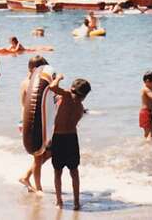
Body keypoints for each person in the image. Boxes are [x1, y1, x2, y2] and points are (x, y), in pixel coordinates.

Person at [48, 74, 92, 210]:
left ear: (72, 88)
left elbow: (52, 87)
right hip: (72, 139)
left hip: (59, 138)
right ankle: (76, 202)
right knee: (74, 171)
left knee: (57, 171)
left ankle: (59, 201)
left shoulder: (66, 96)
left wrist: (59, 78)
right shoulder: (80, 106)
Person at [19, 56, 51, 193]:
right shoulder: (29, 83)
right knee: (38, 156)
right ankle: (38, 188)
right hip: (32, 123)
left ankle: (26, 176)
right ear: (34, 70)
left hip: (29, 121)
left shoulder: (28, 82)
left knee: (49, 152)